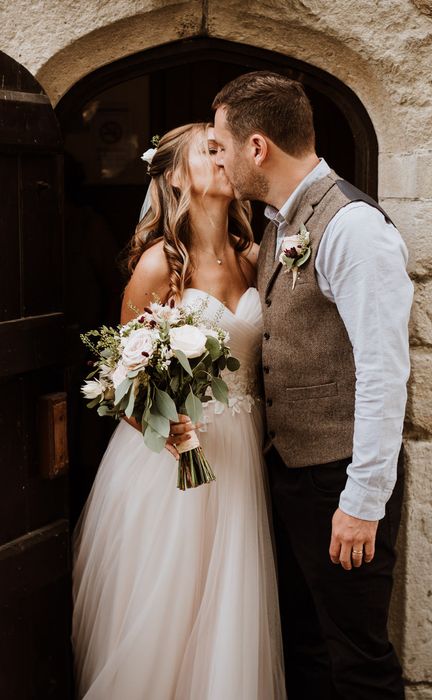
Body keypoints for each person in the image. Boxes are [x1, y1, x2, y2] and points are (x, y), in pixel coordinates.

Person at [211, 71, 414, 699]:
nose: (218, 158)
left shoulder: (351, 227)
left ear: (258, 147)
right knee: (305, 647)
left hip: (341, 478)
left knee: (357, 661)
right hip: (295, 473)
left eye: (221, 143)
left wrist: (362, 502)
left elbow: (384, 371)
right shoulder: (280, 221)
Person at [71, 123, 286, 699]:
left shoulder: (254, 257)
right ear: (174, 176)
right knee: (170, 606)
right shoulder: (158, 266)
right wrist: (166, 426)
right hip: (174, 464)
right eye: (210, 150)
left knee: (230, 604)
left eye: (227, 149)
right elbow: (121, 381)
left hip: (241, 453)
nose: (225, 157)